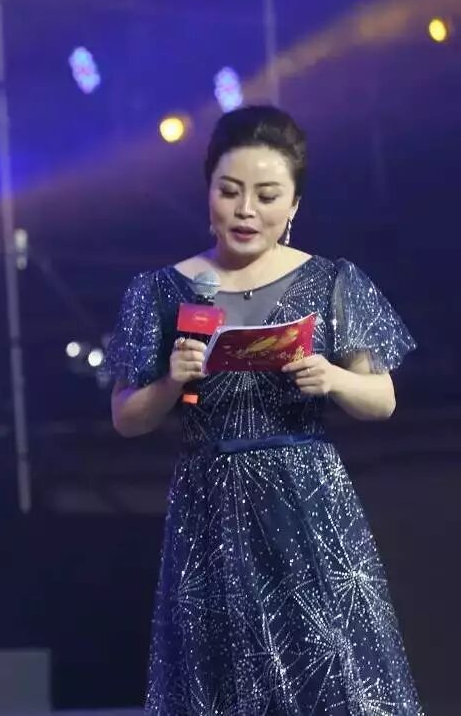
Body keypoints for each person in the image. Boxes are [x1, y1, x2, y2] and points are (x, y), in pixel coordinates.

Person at [106, 105, 422, 714]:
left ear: (294, 205)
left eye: (267, 195)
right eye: (229, 192)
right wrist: (171, 382)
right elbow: (126, 417)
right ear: (208, 194)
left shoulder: (333, 281)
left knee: (332, 673)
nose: (245, 210)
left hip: (309, 501)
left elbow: (382, 399)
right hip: (208, 503)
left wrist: (332, 377)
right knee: (221, 678)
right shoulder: (159, 290)